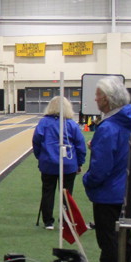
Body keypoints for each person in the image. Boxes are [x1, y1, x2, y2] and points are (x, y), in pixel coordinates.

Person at [83, 77, 131, 262]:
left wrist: (87, 180)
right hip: (128, 190)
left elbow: (101, 169)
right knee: (125, 241)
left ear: (106, 99)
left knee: (109, 244)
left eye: (98, 95)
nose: (95, 99)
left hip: (108, 195)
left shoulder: (108, 127)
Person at [32, 96, 87, 230]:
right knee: (66, 194)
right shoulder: (71, 124)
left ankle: (48, 222)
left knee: (48, 191)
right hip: (68, 163)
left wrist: (40, 157)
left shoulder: (44, 123)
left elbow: (36, 141)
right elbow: (80, 145)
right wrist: (80, 162)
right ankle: (64, 221)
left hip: (48, 163)